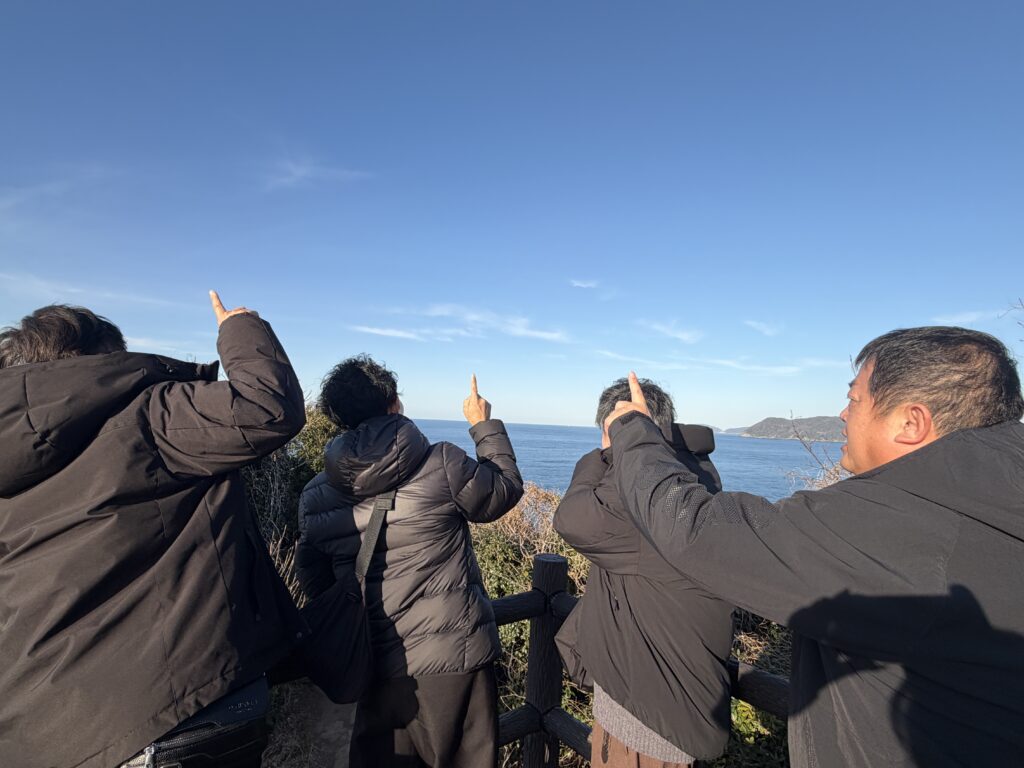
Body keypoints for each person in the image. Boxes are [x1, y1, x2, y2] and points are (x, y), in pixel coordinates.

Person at [603, 327, 1024, 768]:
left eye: (855, 399)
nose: (842, 413)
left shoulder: (894, 522)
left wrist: (633, 430)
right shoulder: (991, 498)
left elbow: (694, 530)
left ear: (911, 422)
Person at [0, 293, 308, 768]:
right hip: (168, 712)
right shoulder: (148, 416)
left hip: (44, 724)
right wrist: (241, 327)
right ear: (101, 360)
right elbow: (267, 407)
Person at [295, 358, 524, 768]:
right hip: (454, 660)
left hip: (373, 661)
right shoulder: (442, 464)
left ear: (338, 419)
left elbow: (313, 576)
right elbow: (503, 491)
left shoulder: (315, 495)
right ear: (395, 404)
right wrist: (482, 423)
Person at [554, 378, 733, 768]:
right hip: (652, 708)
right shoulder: (689, 475)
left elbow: (571, 519)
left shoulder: (644, 496)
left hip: (648, 728)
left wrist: (606, 452)